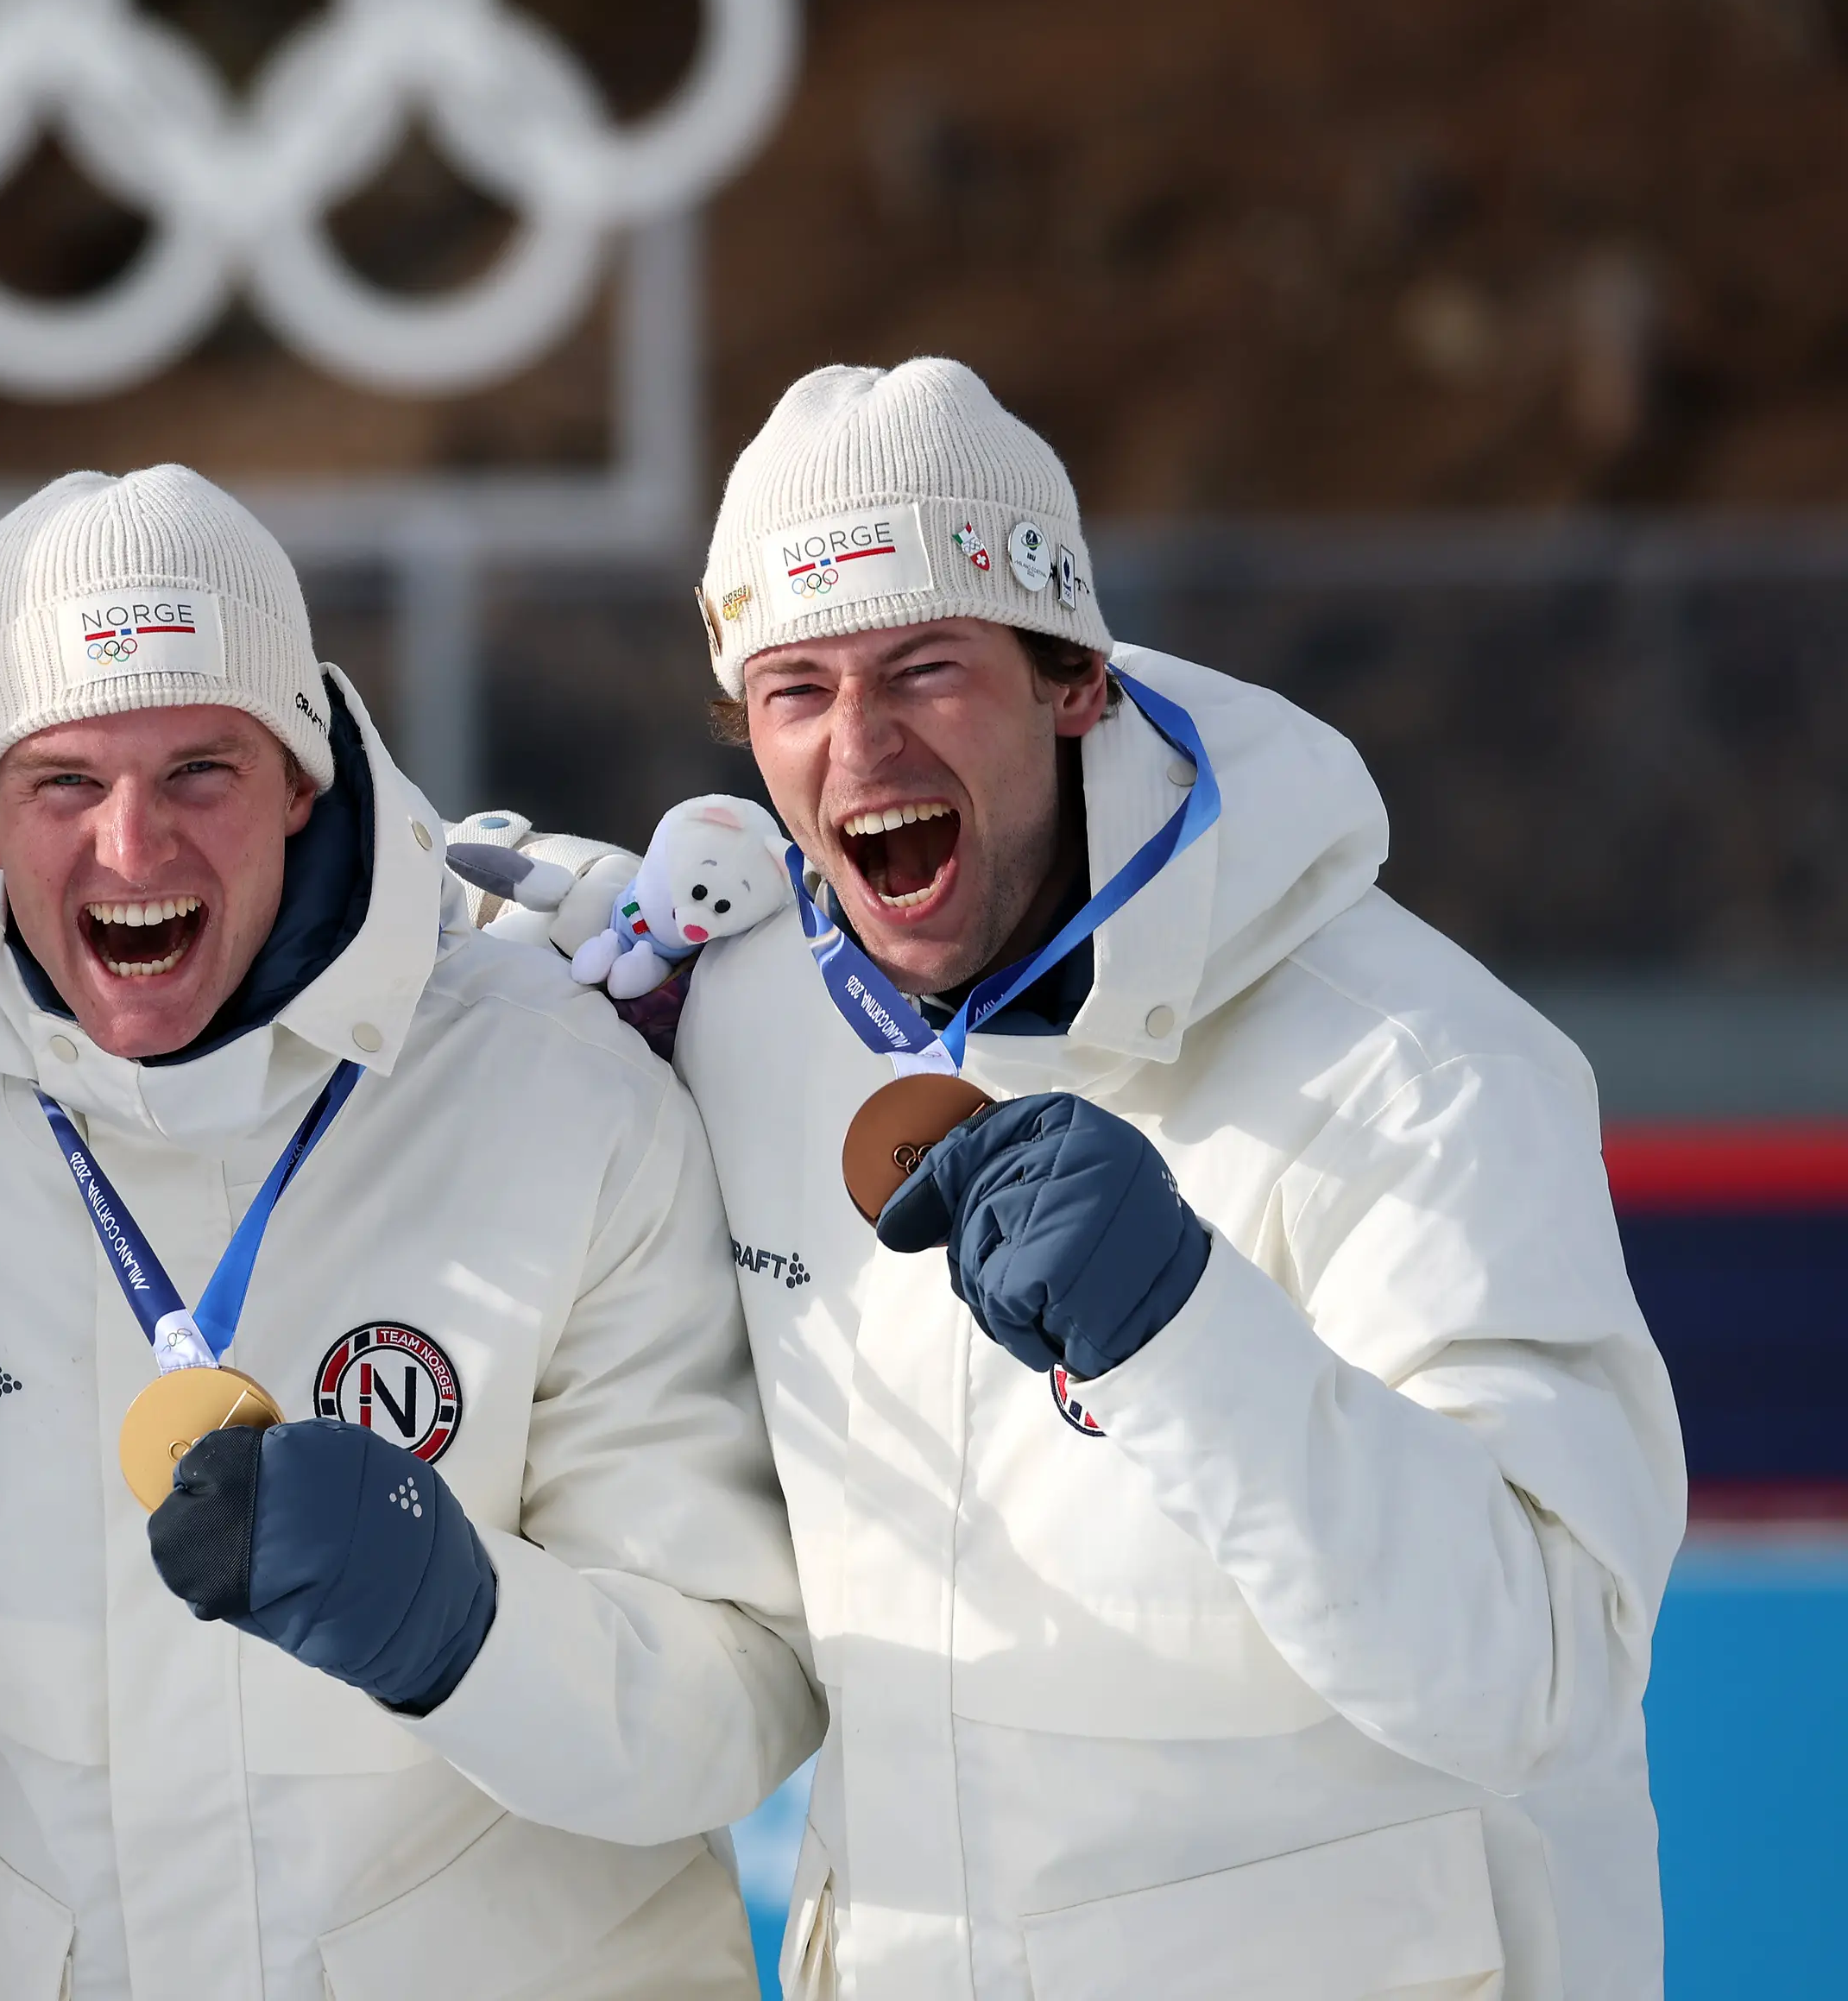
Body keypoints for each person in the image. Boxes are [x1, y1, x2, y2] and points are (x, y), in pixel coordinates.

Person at [600, 359, 1681, 1998]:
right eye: (796, 689)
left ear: (1074, 681)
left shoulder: (1414, 1067)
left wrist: (1189, 1337)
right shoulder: (744, 1023)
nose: (861, 742)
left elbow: (1544, 1669)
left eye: (926, 667)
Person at [0, 464, 822, 2001]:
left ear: (302, 777)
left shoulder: (556, 1097)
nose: (132, 845)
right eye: (64, 783)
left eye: (201, 774)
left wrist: (461, 1630)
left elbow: (742, 1692)